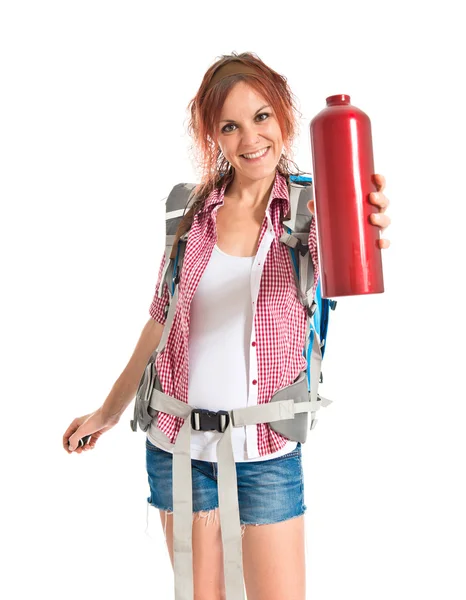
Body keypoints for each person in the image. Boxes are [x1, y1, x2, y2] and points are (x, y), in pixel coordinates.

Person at [63, 52, 391, 600]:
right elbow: (159, 322)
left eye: (262, 116)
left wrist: (369, 220)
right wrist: (108, 410)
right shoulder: (191, 213)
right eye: (230, 126)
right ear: (213, 135)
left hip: (266, 450)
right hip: (176, 447)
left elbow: (345, 265)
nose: (250, 138)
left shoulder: (313, 206)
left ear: (284, 115)